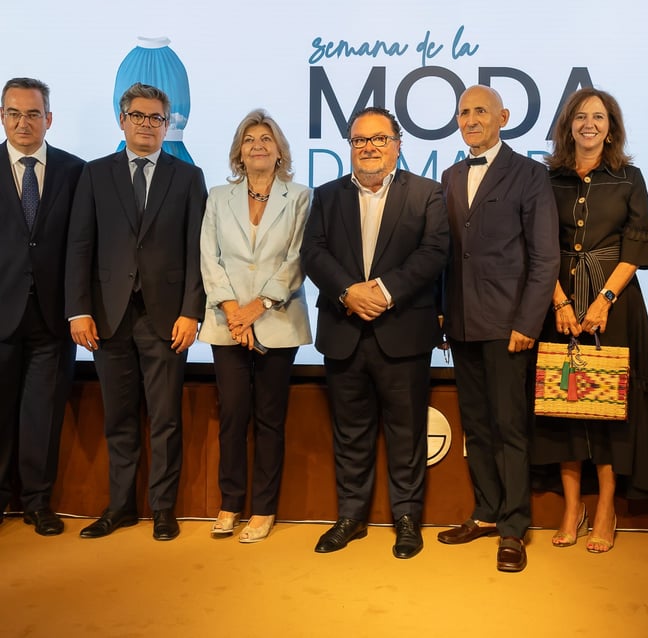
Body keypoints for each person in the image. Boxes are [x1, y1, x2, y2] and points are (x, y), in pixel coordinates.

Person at [301, 106, 449, 559]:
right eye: (360, 140)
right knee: (350, 433)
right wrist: (348, 292)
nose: (369, 147)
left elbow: (434, 252)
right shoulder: (326, 195)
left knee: (407, 432)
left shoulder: (427, 193)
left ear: (397, 145)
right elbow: (313, 253)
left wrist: (384, 291)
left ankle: (407, 520)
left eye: (379, 139)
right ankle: (351, 517)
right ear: (350, 146)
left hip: (402, 331)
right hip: (344, 329)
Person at [530, 87, 648, 554]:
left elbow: (636, 243)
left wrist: (604, 299)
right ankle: (573, 507)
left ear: (611, 127)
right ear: (568, 125)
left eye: (599, 116)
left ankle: (607, 507)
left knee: (609, 407)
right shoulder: (547, 178)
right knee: (564, 403)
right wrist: (559, 302)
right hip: (559, 304)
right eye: (580, 116)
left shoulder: (629, 177)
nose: (589, 124)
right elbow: (539, 245)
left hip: (614, 305)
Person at [66, 82, 207, 541]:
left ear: (167, 126)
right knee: (118, 418)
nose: (148, 125)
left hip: (167, 319)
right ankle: (121, 506)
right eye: (139, 116)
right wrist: (78, 311)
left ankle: (163, 509)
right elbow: (80, 245)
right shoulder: (94, 173)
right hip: (107, 317)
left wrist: (192, 311)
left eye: (156, 118)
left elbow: (197, 251)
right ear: (122, 120)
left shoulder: (188, 177)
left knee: (165, 419)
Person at [438, 84, 560, 573]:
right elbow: (447, 255)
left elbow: (545, 257)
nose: (470, 120)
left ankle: (513, 527)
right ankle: (486, 512)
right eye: (463, 112)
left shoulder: (530, 174)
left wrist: (528, 321)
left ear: (503, 117)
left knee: (510, 428)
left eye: (480, 111)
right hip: (462, 323)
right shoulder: (449, 175)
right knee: (477, 426)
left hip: (510, 325)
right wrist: (442, 315)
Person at [199, 109, 312, 543]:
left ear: (280, 150)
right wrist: (234, 310)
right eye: (249, 140)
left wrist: (258, 306)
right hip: (227, 322)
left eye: (266, 138)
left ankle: (264, 509)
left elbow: (297, 258)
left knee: (269, 418)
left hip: (277, 321)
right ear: (238, 153)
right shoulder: (217, 197)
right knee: (232, 415)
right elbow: (209, 257)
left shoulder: (300, 197)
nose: (258, 145)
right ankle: (230, 503)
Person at [0, 77, 84, 535]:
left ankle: (37, 502)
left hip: (54, 317)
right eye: (14, 113)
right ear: (2, 117)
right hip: (1, 314)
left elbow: (84, 246)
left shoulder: (75, 171)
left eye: (33, 113)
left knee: (43, 415)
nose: (23, 122)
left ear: (49, 118)